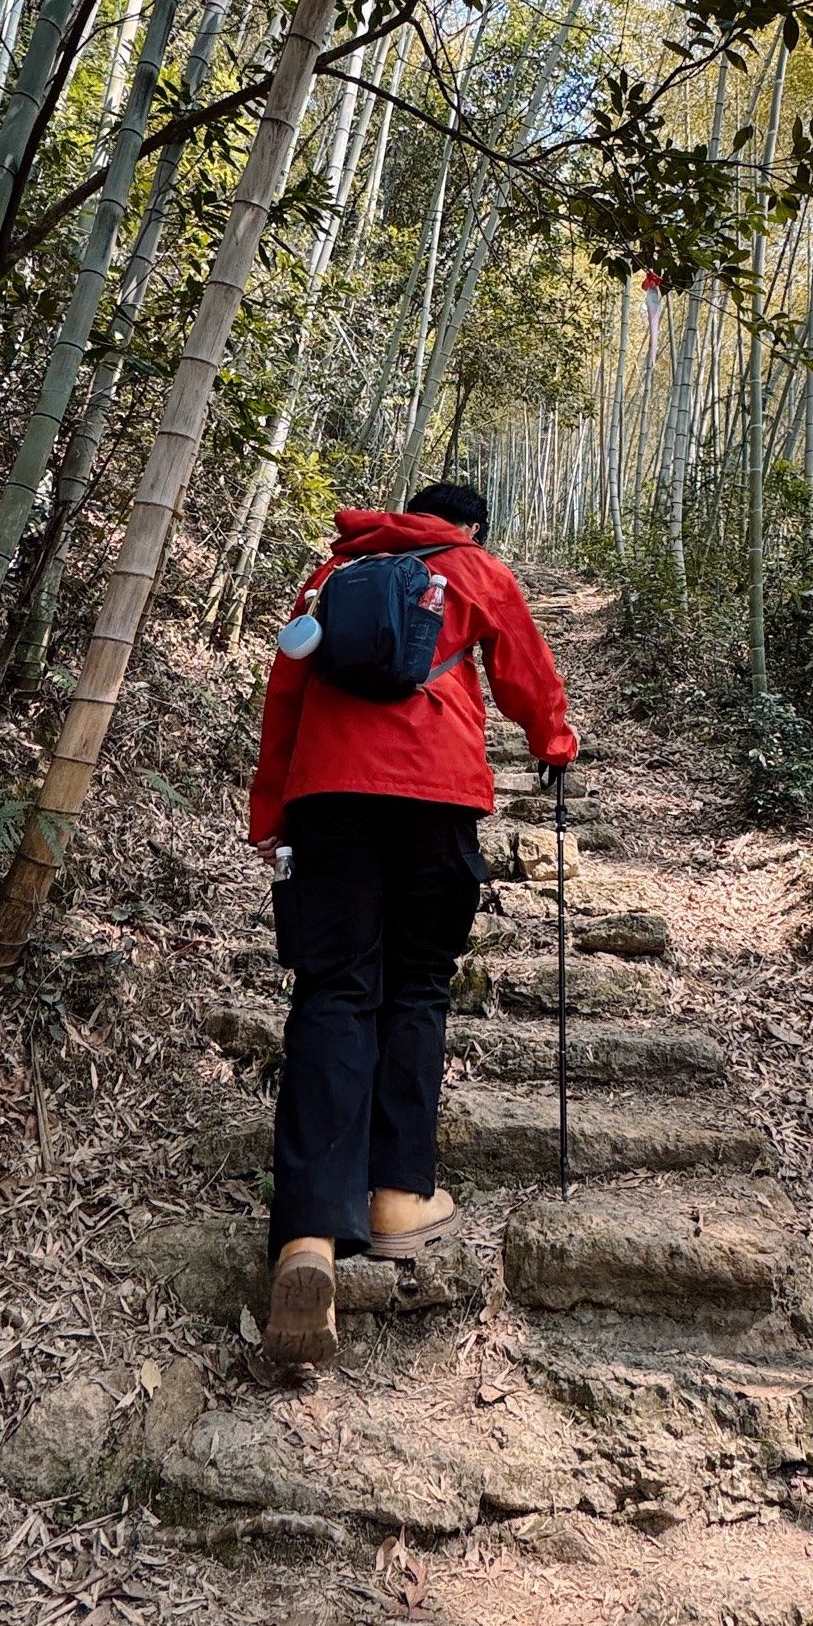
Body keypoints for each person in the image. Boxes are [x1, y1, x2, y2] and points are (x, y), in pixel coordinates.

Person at [244, 480, 577, 1365]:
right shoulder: (473, 568)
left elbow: (285, 696)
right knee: (419, 986)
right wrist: (554, 745)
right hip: (433, 799)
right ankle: (397, 1198)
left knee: (333, 988)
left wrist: (272, 811)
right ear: (468, 525)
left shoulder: (334, 573)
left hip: (327, 797)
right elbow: (526, 673)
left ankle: (307, 1237)